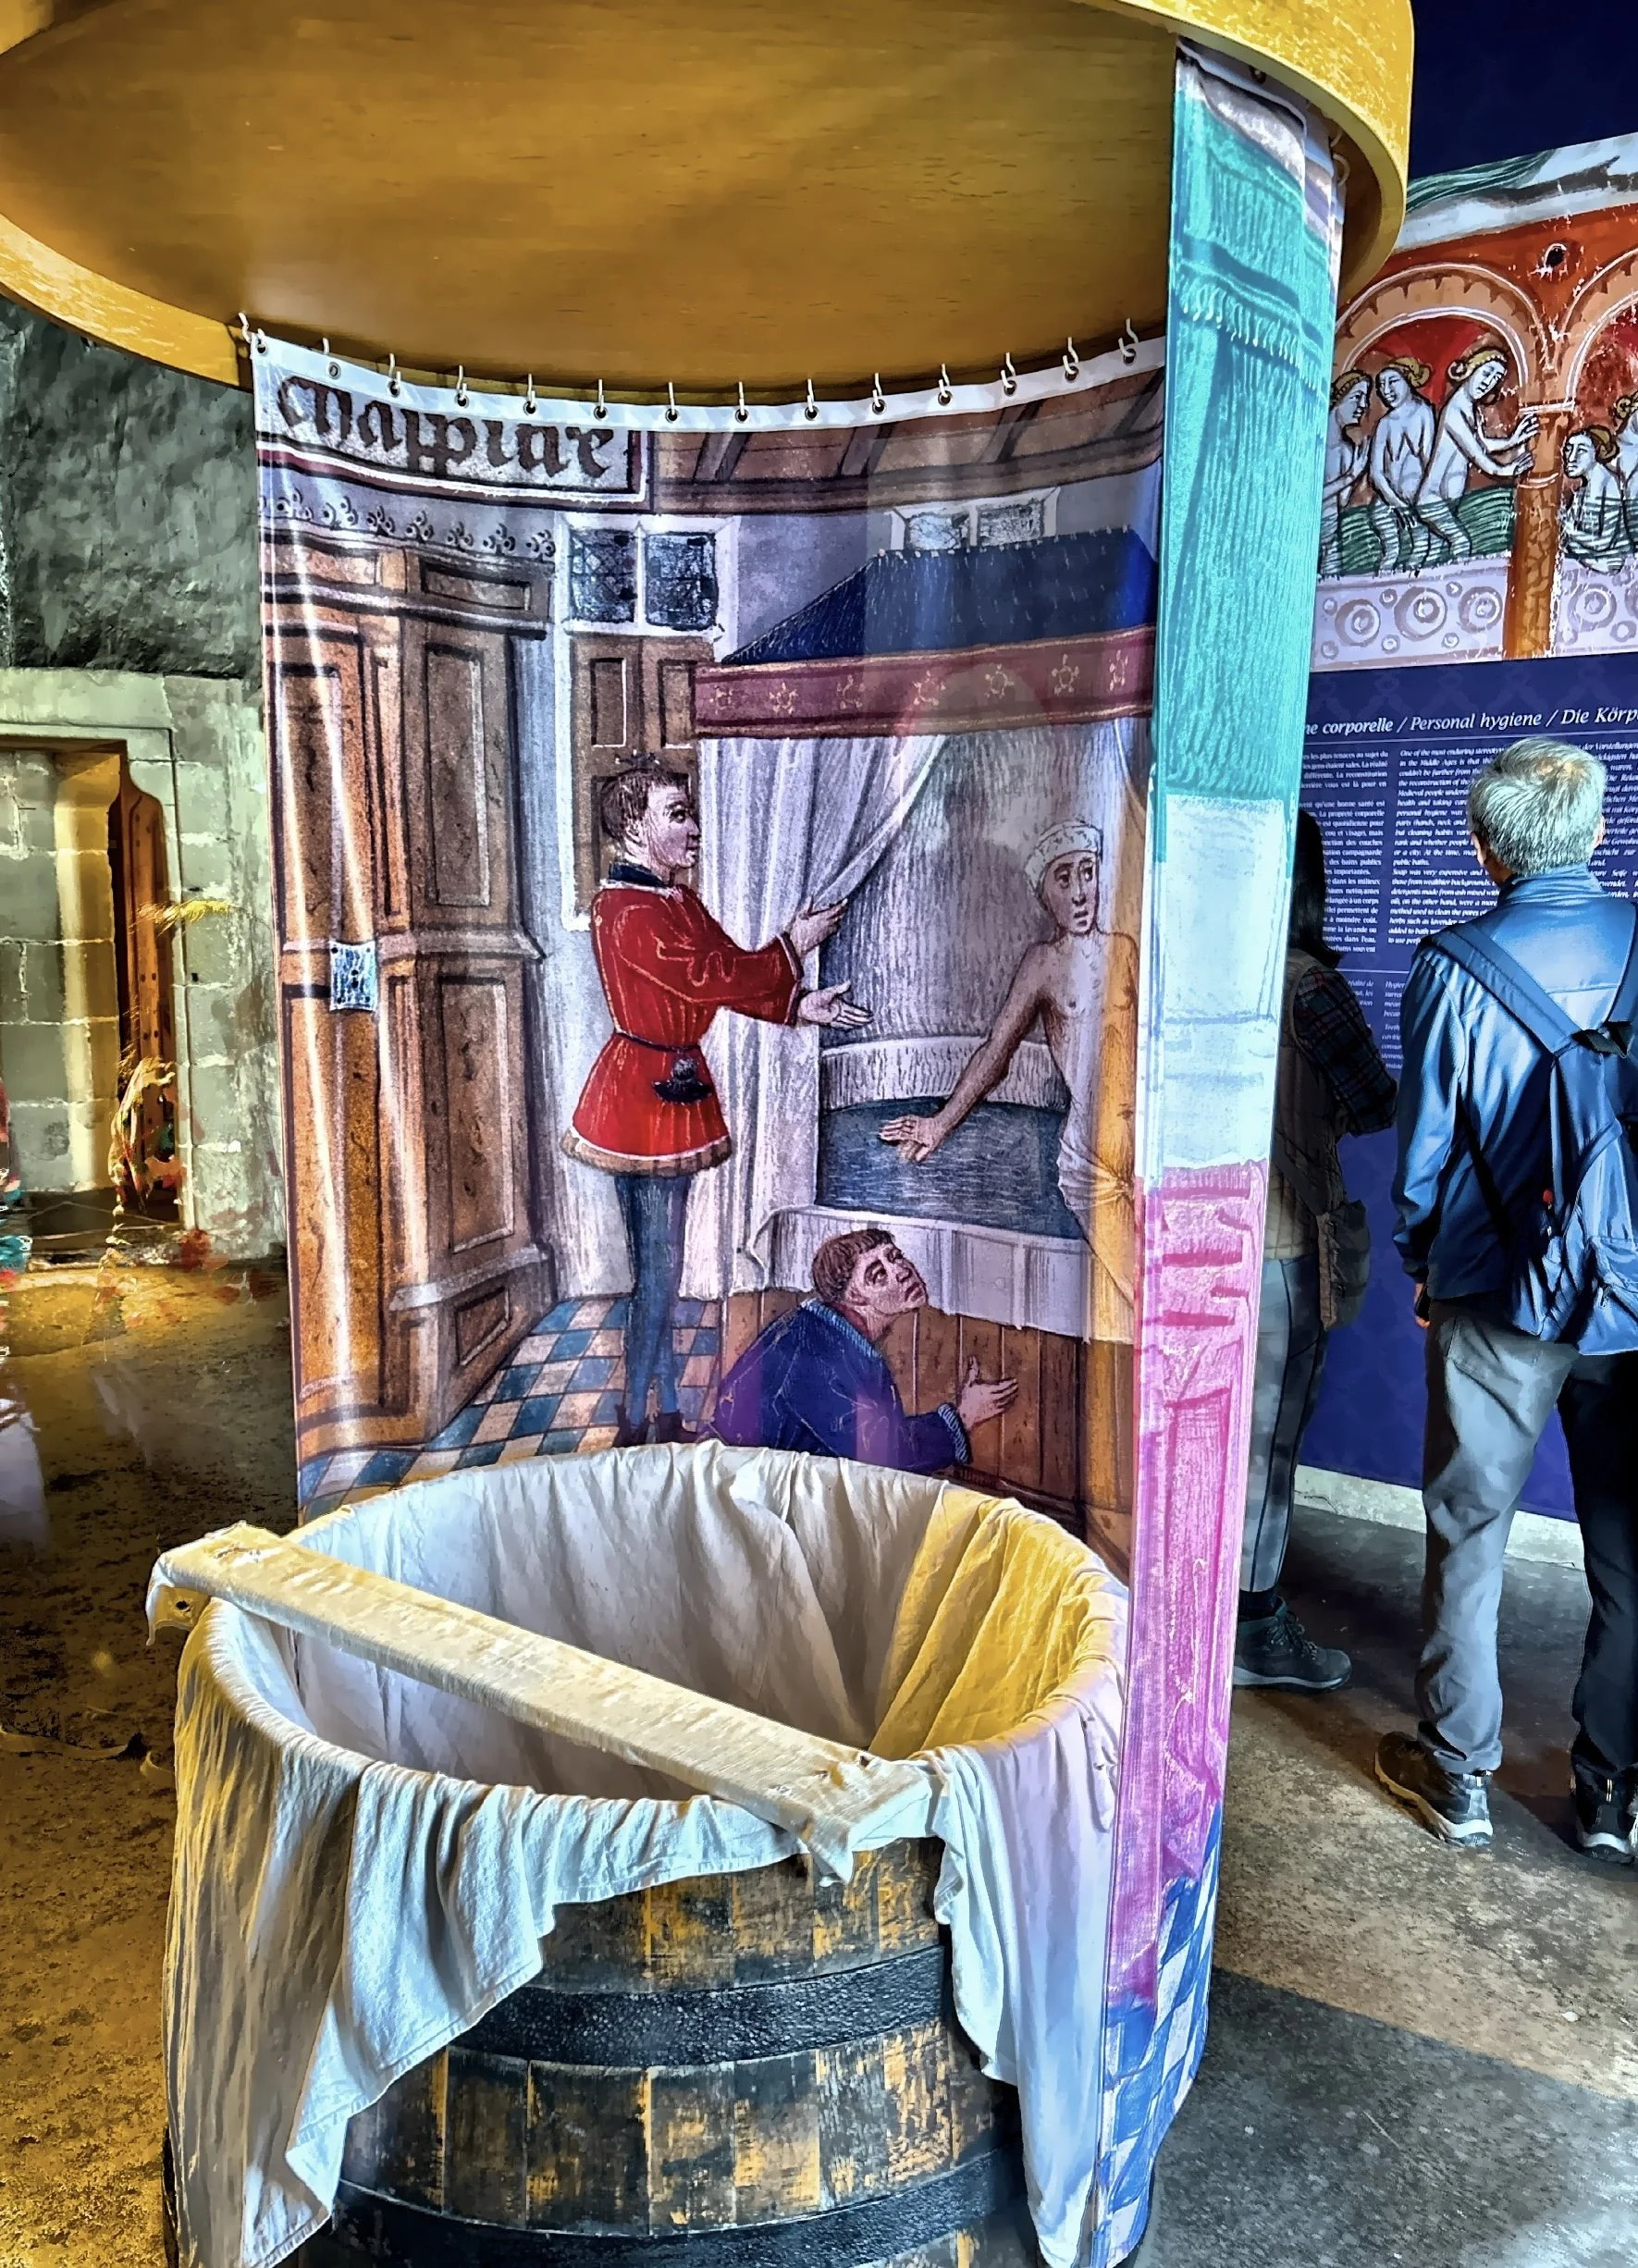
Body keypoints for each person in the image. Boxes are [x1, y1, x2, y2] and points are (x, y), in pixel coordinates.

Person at [1381, 737, 1638, 1860]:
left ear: (1485, 850)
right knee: (1630, 1545)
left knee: (1469, 1530)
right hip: (1634, 1297)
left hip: (1495, 1291)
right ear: (1597, 835)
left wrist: (1420, 1264)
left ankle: (1458, 1774)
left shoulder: (1451, 968)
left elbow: (1425, 1152)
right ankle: (1611, 1793)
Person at [563, 760, 869, 1445]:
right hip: (637, 1098)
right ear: (634, 829)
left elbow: (729, 974)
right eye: (677, 814)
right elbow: (704, 977)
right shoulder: (620, 909)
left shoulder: (677, 901)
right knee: (656, 1274)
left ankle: (663, 1410)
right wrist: (792, 945)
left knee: (662, 1273)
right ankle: (636, 1422)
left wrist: (797, 1005)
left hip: (677, 1085)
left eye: (690, 812)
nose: (694, 828)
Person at [1237, 810, 1397, 1691]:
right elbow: (1372, 1102)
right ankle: (1252, 1627)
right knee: (1269, 1441)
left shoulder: (1176, 967)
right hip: (1278, 1240)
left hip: (1183, 1240)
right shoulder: (1310, 988)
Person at [879, 820, 1139, 1339]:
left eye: (1087, 873)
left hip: (1147, 1152)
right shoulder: (1043, 965)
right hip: (1095, 1167)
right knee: (1146, 1296)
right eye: (1064, 880)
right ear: (1045, 895)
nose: (1081, 891)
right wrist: (940, 1125)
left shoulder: (1126, 950)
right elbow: (996, 1053)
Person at [706, 1226, 1016, 1472]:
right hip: (743, 1491)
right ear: (854, 1299)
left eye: (895, 1256)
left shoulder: (831, 1334)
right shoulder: (811, 1356)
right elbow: (880, 1453)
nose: (901, 1271)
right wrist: (963, 1417)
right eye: (878, 1275)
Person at [1411, 344, 1538, 563]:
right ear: (1471, 369)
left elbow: (1482, 443)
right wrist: (1505, 470)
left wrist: (1512, 440)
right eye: (1487, 373)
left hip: (1446, 500)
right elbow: (1476, 454)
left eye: (1496, 378)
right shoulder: (1454, 410)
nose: (1489, 382)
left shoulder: (1471, 409)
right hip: (1433, 499)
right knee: (1462, 543)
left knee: (1431, 557)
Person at [1367, 358, 1435, 573]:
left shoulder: (1424, 412)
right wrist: (1396, 503)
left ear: (1408, 380)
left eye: (1392, 381)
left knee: (1420, 549)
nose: (1386, 390)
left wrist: (1419, 500)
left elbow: (1428, 459)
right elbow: (1376, 472)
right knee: (1390, 554)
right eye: (1381, 385)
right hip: (1389, 500)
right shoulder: (1385, 424)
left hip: (1417, 497)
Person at [1319, 369, 1371, 577]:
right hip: (1303, 538)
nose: (1363, 406)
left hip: (1331, 537)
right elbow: (1310, 501)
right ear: (1338, 400)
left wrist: (1356, 474)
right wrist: (1350, 476)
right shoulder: (1313, 445)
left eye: (1365, 399)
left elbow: (1341, 501)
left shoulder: (1347, 450)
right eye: (1357, 397)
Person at [1558, 425, 1628, 568]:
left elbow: (1603, 542)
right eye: (1568, 449)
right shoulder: (1582, 490)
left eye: (1581, 450)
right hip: (1586, 559)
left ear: (1597, 452)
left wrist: (1570, 531)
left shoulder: (1609, 485)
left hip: (1607, 564)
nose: (1571, 458)